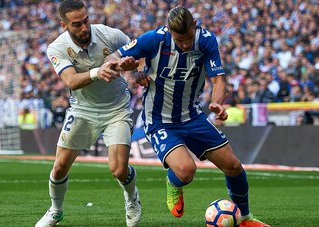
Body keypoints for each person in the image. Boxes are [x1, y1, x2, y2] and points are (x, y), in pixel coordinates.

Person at [108, 6, 270, 227]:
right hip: (159, 119)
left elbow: (218, 80)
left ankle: (245, 218)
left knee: (233, 166)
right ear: (169, 30)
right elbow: (113, 59)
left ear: (195, 25)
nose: (184, 44)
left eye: (188, 38)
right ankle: (173, 183)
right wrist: (122, 65)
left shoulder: (206, 41)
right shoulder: (154, 39)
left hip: (192, 115)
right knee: (186, 170)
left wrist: (217, 102)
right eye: (179, 40)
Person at [35, 1, 141, 226]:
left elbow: (138, 55)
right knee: (60, 166)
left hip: (116, 109)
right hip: (83, 110)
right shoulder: (57, 47)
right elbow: (71, 80)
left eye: (86, 21)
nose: (84, 28)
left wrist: (134, 66)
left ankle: (132, 199)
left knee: (119, 169)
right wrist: (96, 72)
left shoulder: (109, 35)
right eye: (76, 24)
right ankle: (55, 210)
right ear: (64, 25)